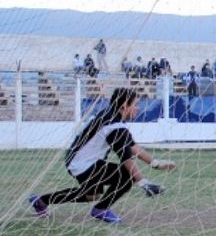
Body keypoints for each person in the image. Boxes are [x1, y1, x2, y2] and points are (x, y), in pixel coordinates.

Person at [27, 88, 176, 224]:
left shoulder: (110, 116)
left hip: (79, 161)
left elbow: (132, 146)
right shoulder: (115, 127)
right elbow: (126, 158)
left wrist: (155, 163)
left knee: (92, 195)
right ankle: (101, 209)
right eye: (135, 104)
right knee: (126, 175)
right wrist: (142, 182)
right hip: (84, 164)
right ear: (125, 105)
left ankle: (41, 201)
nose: (138, 108)